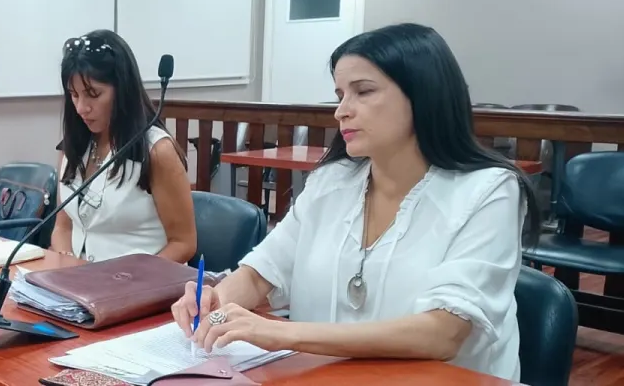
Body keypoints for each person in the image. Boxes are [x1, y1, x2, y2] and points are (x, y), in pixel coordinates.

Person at [171, 23, 539, 382]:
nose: (342, 110)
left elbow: (443, 333)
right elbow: (260, 274)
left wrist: (282, 333)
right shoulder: (332, 181)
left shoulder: (489, 191)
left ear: (423, 95)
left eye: (363, 92)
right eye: (340, 95)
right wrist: (215, 301)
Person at [50, 29, 197, 264]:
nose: (81, 108)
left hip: (140, 282)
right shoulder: (74, 145)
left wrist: (128, 279)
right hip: (79, 280)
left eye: (93, 94)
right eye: (74, 95)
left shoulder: (157, 151)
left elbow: (183, 243)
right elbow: (62, 228)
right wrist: (67, 265)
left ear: (122, 90)